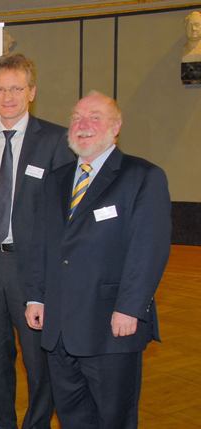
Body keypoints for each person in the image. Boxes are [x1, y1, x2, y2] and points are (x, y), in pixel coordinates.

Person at [24, 91, 171, 428]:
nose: (83, 125)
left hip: (111, 327)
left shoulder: (142, 177)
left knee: (113, 419)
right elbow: (41, 245)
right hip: (59, 328)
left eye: (94, 116)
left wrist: (131, 308)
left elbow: (148, 249)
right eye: (76, 117)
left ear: (115, 127)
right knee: (73, 417)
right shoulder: (57, 179)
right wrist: (36, 295)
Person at [0, 53, 74, 429]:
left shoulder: (55, 141)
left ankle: (36, 424)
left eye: (16, 88)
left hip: (33, 270)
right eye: (1, 89)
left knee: (39, 360)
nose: (8, 97)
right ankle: (2, 423)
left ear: (31, 92)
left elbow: (62, 216)